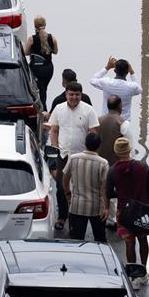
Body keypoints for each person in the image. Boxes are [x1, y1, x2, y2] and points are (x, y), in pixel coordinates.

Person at [48, 81, 99, 230]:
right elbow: (54, 130)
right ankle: (62, 216)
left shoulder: (89, 110)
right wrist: (55, 147)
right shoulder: (59, 109)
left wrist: (91, 153)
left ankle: (76, 218)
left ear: (81, 95)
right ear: (66, 94)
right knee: (60, 187)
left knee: (80, 188)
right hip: (63, 155)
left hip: (81, 156)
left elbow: (94, 132)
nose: (74, 97)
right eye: (71, 94)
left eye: (77, 95)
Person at [107, 137, 149, 288]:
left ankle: (133, 273)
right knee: (143, 240)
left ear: (116, 152)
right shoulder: (143, 167)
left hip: (124, 211)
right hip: (142, 210)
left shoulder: (113, 171)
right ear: (129, 150)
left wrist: (121, 194)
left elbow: (109, 192)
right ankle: (143, 271)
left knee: (129, 242)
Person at [62, 131, 109, 243]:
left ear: (85, 143)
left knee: (76, 241)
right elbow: (104, 187)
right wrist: (106, 208)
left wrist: (68, 194)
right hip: (97, 208)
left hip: (77, 206)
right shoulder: (103, 163)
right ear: (99, 146)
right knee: (100, 240)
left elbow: (65, 178)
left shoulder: (73, 158)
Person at [89, 56, 143, 120]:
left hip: (107, 121)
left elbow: (92, 80)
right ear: (127, 71)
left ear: (114, 70)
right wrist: (132, 72)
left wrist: (107, 68)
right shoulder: (131, 87)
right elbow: (140, 89)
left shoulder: (106, 82)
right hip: (124, 122)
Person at [23, 15, 58, 108]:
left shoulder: (31, 39)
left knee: (40, 89)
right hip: (48, 69)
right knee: (44, 89)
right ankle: (44, 108)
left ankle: (42, 109)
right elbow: (55, 52)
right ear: (45, 25)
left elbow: (25, 53)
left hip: (36, 69)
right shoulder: (52, 38)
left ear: (35, 26)